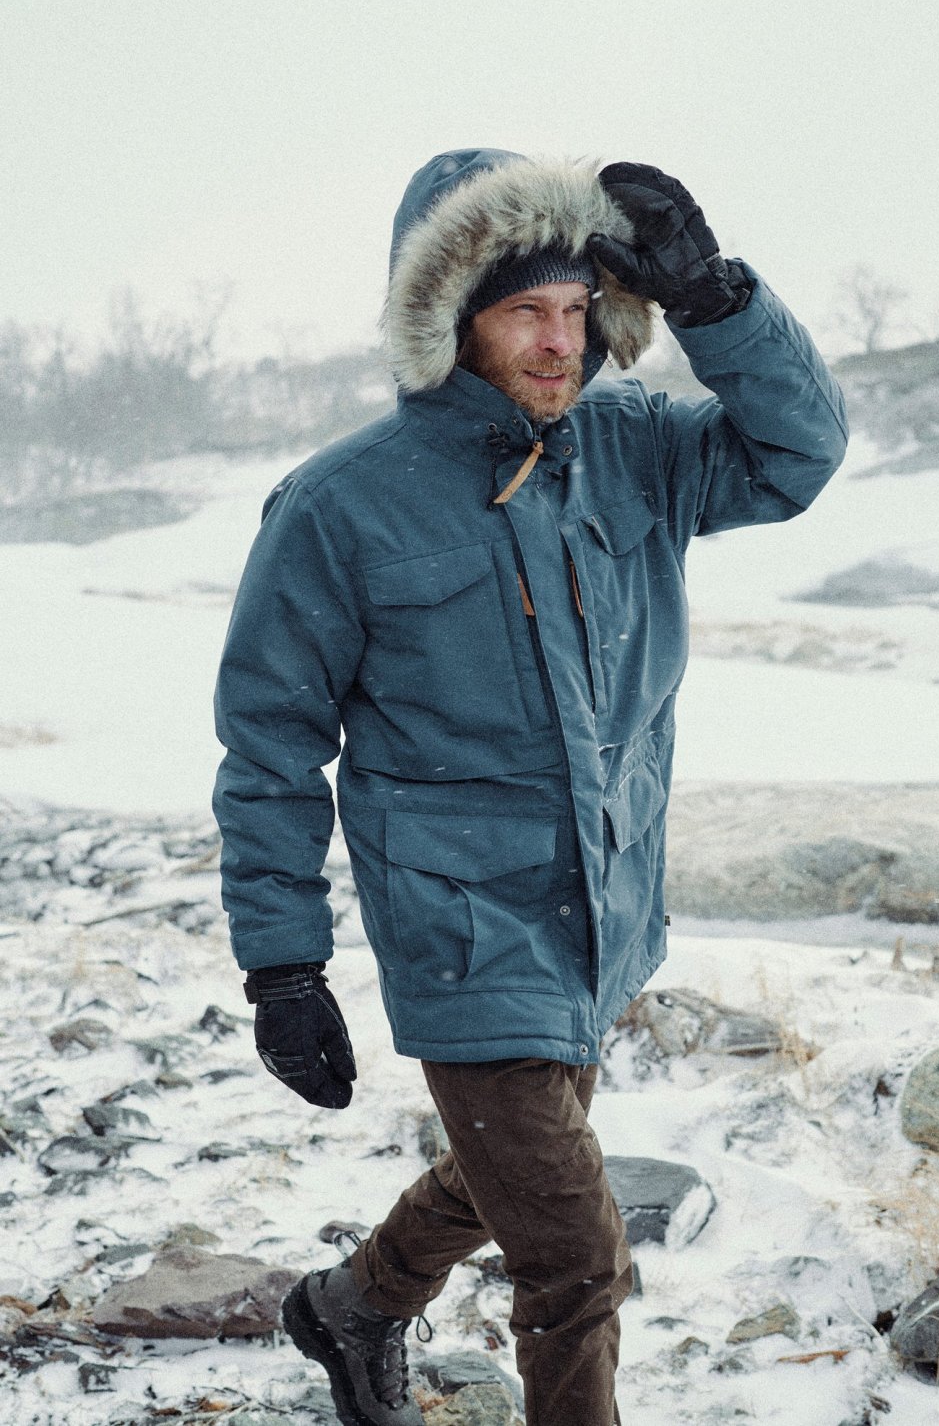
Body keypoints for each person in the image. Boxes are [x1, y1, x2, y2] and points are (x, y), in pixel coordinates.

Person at [211, 147, 848, 1426]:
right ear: (449, 318)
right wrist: (282, 964)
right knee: (575, 1252)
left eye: (578, 307)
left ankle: (354, 1304)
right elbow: (270, 746)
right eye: (523, 311)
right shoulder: (339, 506)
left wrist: (715, 301)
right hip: (457, 926)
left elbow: (797, 453)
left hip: (599, 910)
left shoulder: (636, 449)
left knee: (509, 1166)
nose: (560, 343)